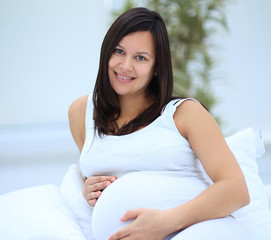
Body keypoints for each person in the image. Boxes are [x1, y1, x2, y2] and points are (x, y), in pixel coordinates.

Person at [69, 7, 251, 240]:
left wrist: (166, 222)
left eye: (140, 58)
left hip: (199, 231)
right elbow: (98, 170)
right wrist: (89, 187)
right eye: (119, 51)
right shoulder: (81, 113)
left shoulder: (184, 113)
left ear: (156, 67)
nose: (125, 66)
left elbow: (237, 190)